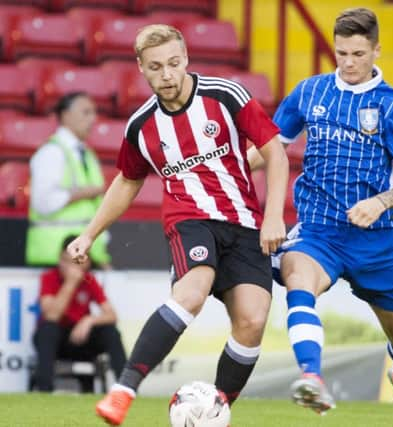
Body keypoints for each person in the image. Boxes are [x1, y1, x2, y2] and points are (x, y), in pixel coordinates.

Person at [66, 24, 288, 426]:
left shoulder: (225, 95)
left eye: (173, 63)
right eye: (156, 67)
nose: (166, 74)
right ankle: (123, 391)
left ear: (185, 58)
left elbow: (275, 150)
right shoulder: (141, 126)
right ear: (141, 68)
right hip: (189, 220)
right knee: (192, 294)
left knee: (253, 321)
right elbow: (127, 181)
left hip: (243, 222)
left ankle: (214, 412)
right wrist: (89, 232)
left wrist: (273, 215)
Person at [271, 8, 393, 426]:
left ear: (376, 50)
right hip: (318, 231)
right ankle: (312, 378)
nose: (348, 62)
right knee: (297, 280)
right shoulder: (309, 93)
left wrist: (381, 202)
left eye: (358, 53)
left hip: (375, 242)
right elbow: (270, 150)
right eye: (341, 53)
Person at [31, 235, 126, 392]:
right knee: (48, 330)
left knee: (110, 331)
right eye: (65, 261)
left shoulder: (89, 279)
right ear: (60, 260)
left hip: (81, 338)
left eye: (75, 262)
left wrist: (88, 320)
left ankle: (125, 389)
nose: (69, 267)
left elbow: (112, 315)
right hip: (56, 340)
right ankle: (44, 390)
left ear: (86, 263)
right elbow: (51, 315)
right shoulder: (49, 278)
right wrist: (70, 283)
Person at [26, 92, 111, 268]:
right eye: (86, 112)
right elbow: (43, 202)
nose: (93, 119)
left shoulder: (87, 154)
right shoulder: (51, 152)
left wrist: (100, 257)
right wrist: (85, 193)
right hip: (54, 259)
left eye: (94, 113)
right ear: (65, 115)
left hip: (85, 258)